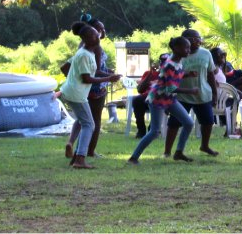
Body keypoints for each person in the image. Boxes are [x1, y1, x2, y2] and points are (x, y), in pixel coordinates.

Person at [128, 37, 198, 165]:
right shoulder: (169, 64)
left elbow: (176, 75)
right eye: (186, 47)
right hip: (158, 100)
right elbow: (171, 88)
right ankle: (133, 158)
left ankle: (178, 153)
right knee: (155, 131)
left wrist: (188, 74)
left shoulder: (178, 61)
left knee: (188, 123)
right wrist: (190, 91)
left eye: (189, 47)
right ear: (176, 48)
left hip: (169, 99)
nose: (189, 50)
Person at [61, 22, 121, 168]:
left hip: (77, 93)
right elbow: (86, 78)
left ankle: (75, 157)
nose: (98, 36)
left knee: (85, 123)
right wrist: (108, 78)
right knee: (89, 124)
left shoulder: (89, 53)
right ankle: (80, 160)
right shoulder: (84, 55)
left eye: (97, 33)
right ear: (86, 39)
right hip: (76, 94)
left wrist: (109, 75)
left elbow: (93, 73)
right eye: (93, 34)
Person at [163, 29, 220, 158]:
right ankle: (167, 151)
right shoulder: (176, 56)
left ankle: (204, 146)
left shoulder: (206, 53)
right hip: (182, 94)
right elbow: (169, 78)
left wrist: (214, 93)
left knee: (208, 121)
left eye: (199, 38)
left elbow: (210, 73)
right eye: (194, 38)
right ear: (184, 41)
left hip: (202, 93)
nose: (198, 41)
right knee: (174, 123)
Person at [131, 53, 169, 138]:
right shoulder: (149, 73)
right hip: (147, 98)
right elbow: (140, 89)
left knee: (158, 101)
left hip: (161, 99)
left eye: (166, 62)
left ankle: (152, 129)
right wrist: (150, 74)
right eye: (162, 62)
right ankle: (141, 130)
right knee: (137, 100)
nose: (164, 64)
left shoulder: (171, 74)